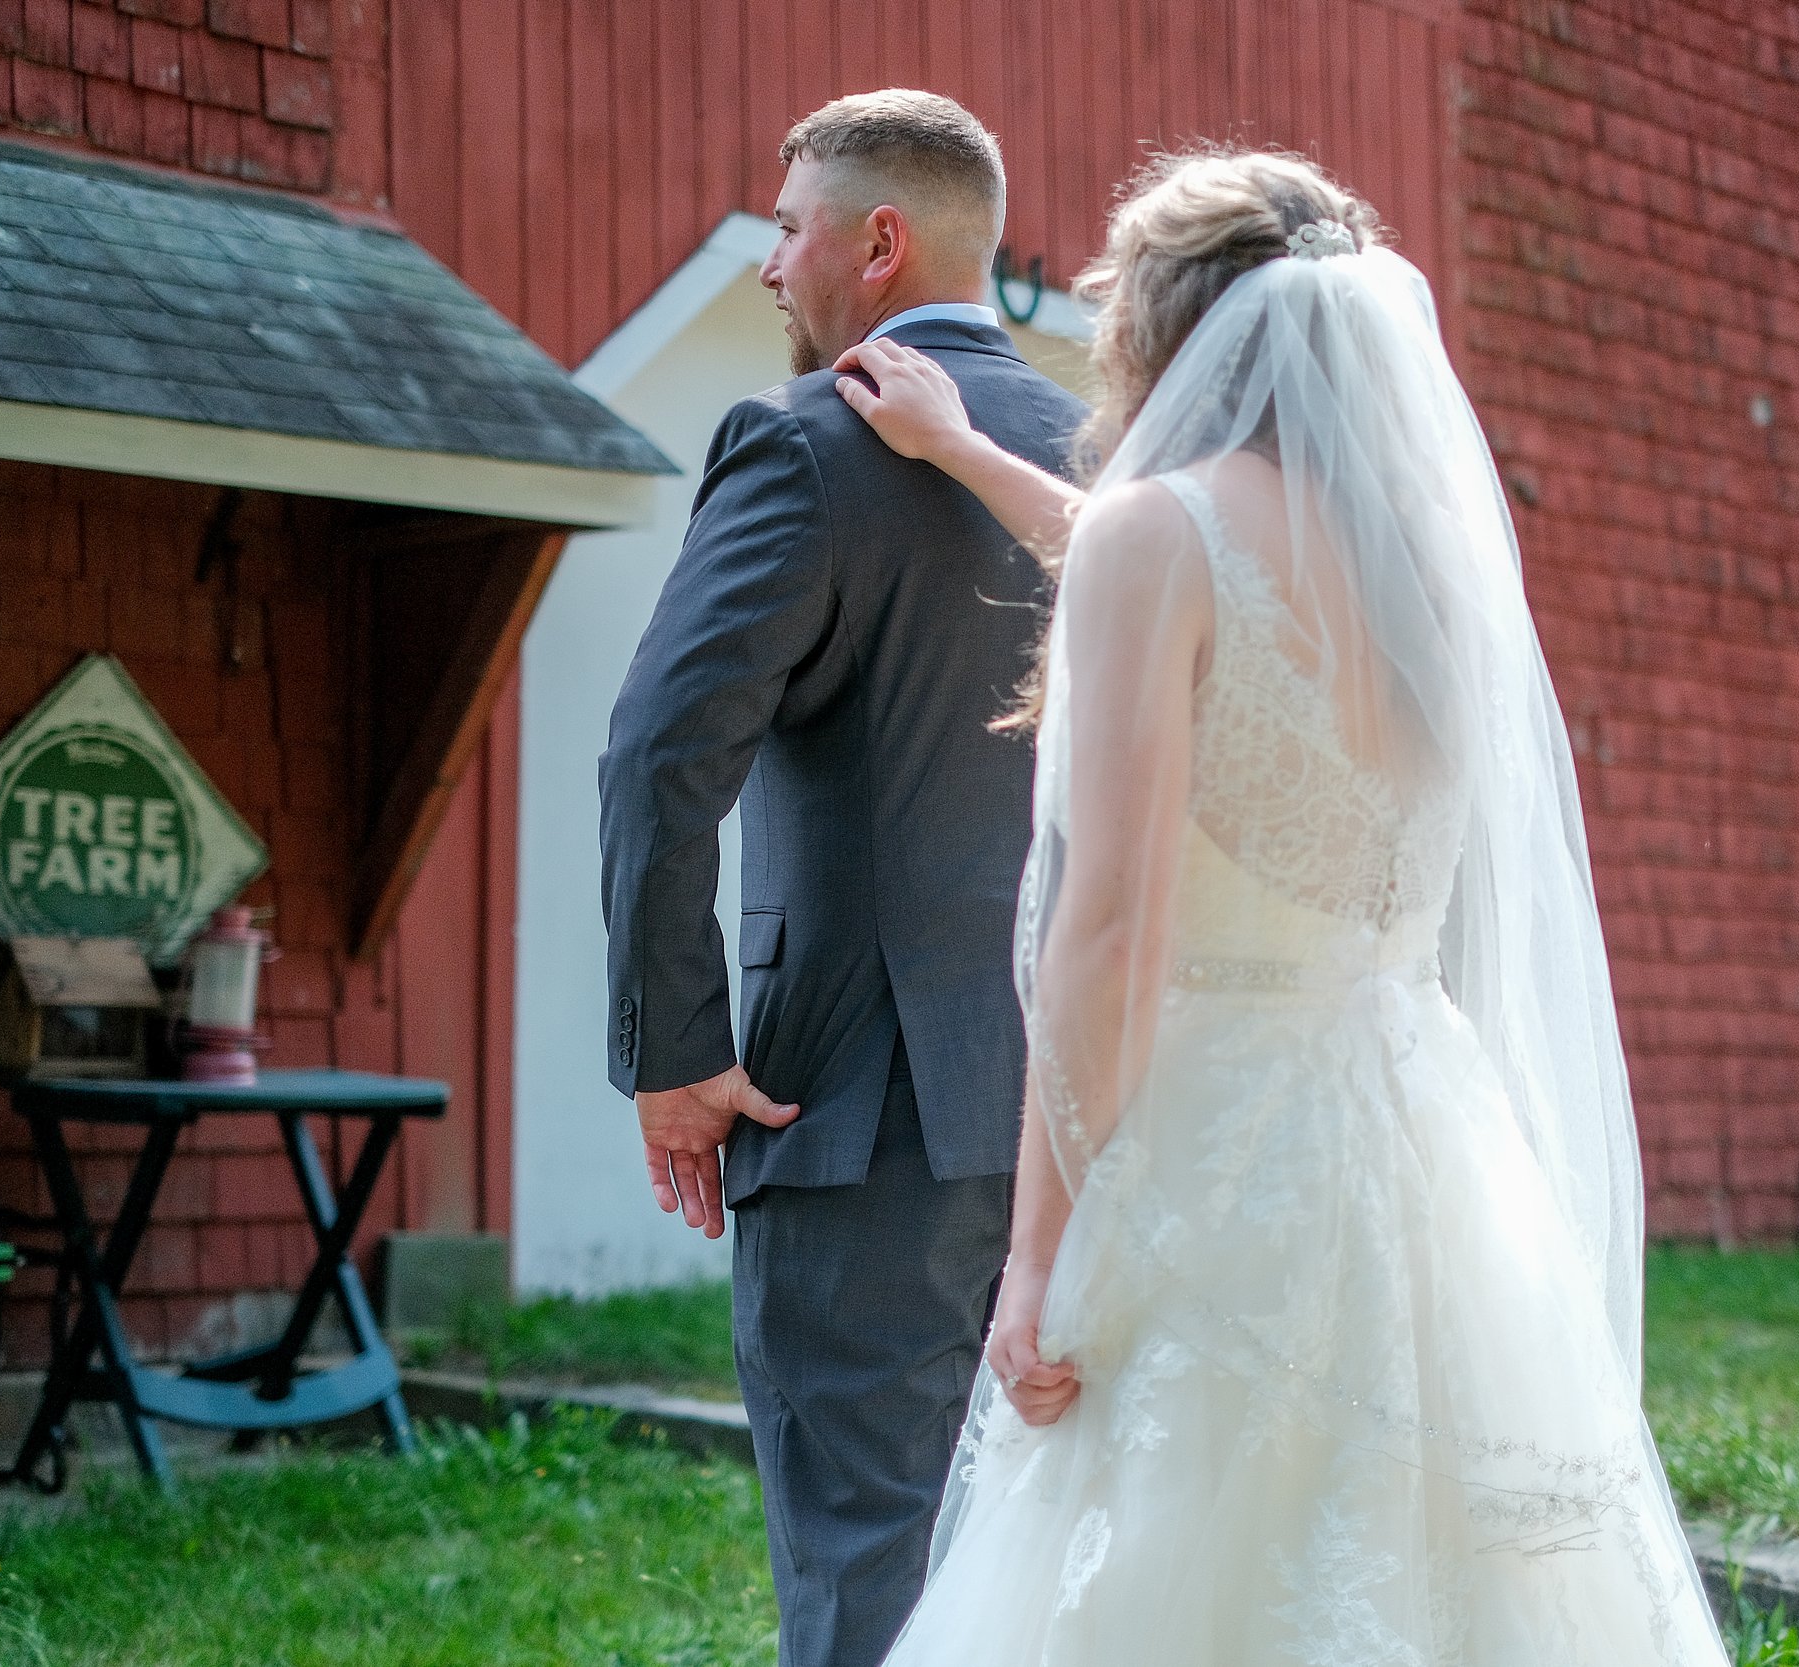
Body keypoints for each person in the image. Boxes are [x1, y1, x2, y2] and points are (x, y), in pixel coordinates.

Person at [830, 150, 1731, 1665]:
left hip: (1219, 1137)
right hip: (1425, 1130)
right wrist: (973, 455)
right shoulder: (1430, 572)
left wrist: (1038, 1254)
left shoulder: (1157, 533)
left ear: (1165, 333)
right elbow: (1213, 615)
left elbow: (1103, 933)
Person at [596, 90, 1088, 1667]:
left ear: (880, 245)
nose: (768, 267)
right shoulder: (1119, 464)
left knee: (869, 1558)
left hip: (860, 1115)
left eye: (787, 226)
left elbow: (658, 758)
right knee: (1055, 1558)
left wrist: (674, 1053)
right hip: (1099, 1109)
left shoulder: (805, 445)